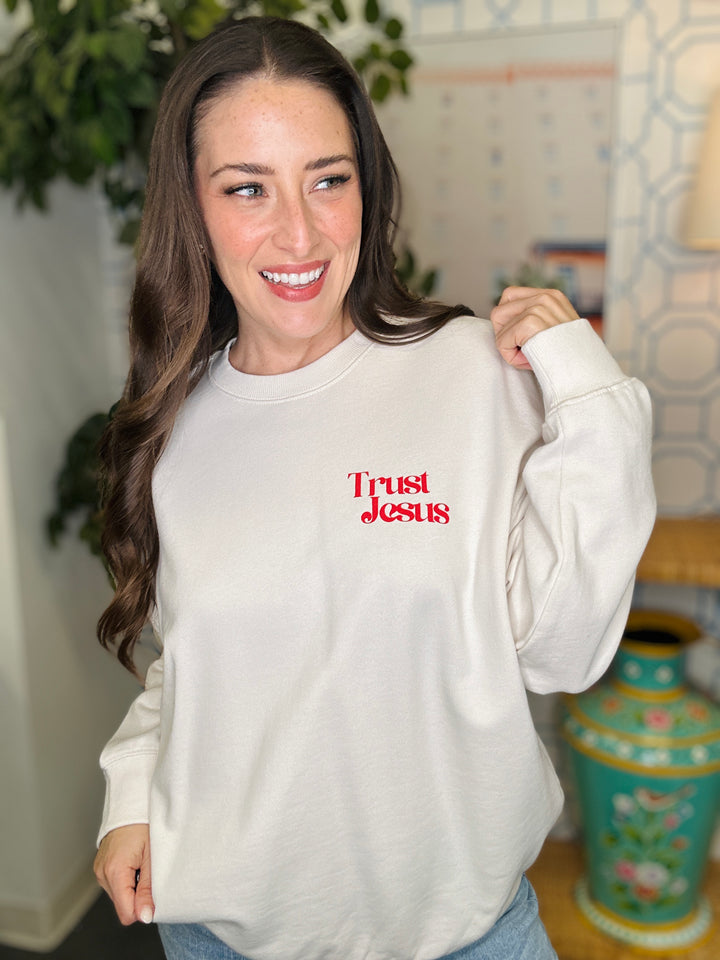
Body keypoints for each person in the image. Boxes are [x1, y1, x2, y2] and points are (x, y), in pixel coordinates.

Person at [93, 16, 655, 960]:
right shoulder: (172, 425)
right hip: (221, 934)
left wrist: (590, 388)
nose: (300, 231)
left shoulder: (473, 373)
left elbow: (564, 650)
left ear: (367, 185)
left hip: (468, 936)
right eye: (247, 189)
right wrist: (131, 793)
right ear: (191, 208)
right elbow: (195, 665)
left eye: (328, 179)